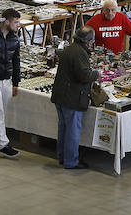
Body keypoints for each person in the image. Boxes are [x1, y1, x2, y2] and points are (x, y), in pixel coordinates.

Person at [50, 26, 97, 169]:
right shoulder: (80, 53)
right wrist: (96, 74)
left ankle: (62, 157)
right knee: (72, 130)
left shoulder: (69, 49)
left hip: (61, 95)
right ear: (89, 42)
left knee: (63, 128)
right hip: (71, 98)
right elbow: (84, 76)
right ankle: (71, 161)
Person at [0, 8, 22, 157]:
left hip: (6, 80)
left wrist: (16, 82)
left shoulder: (15, 39)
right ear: (7, 22)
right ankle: (3, 144)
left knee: (2, 112)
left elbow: (16, 61)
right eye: (16, 22)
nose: (18, 25)